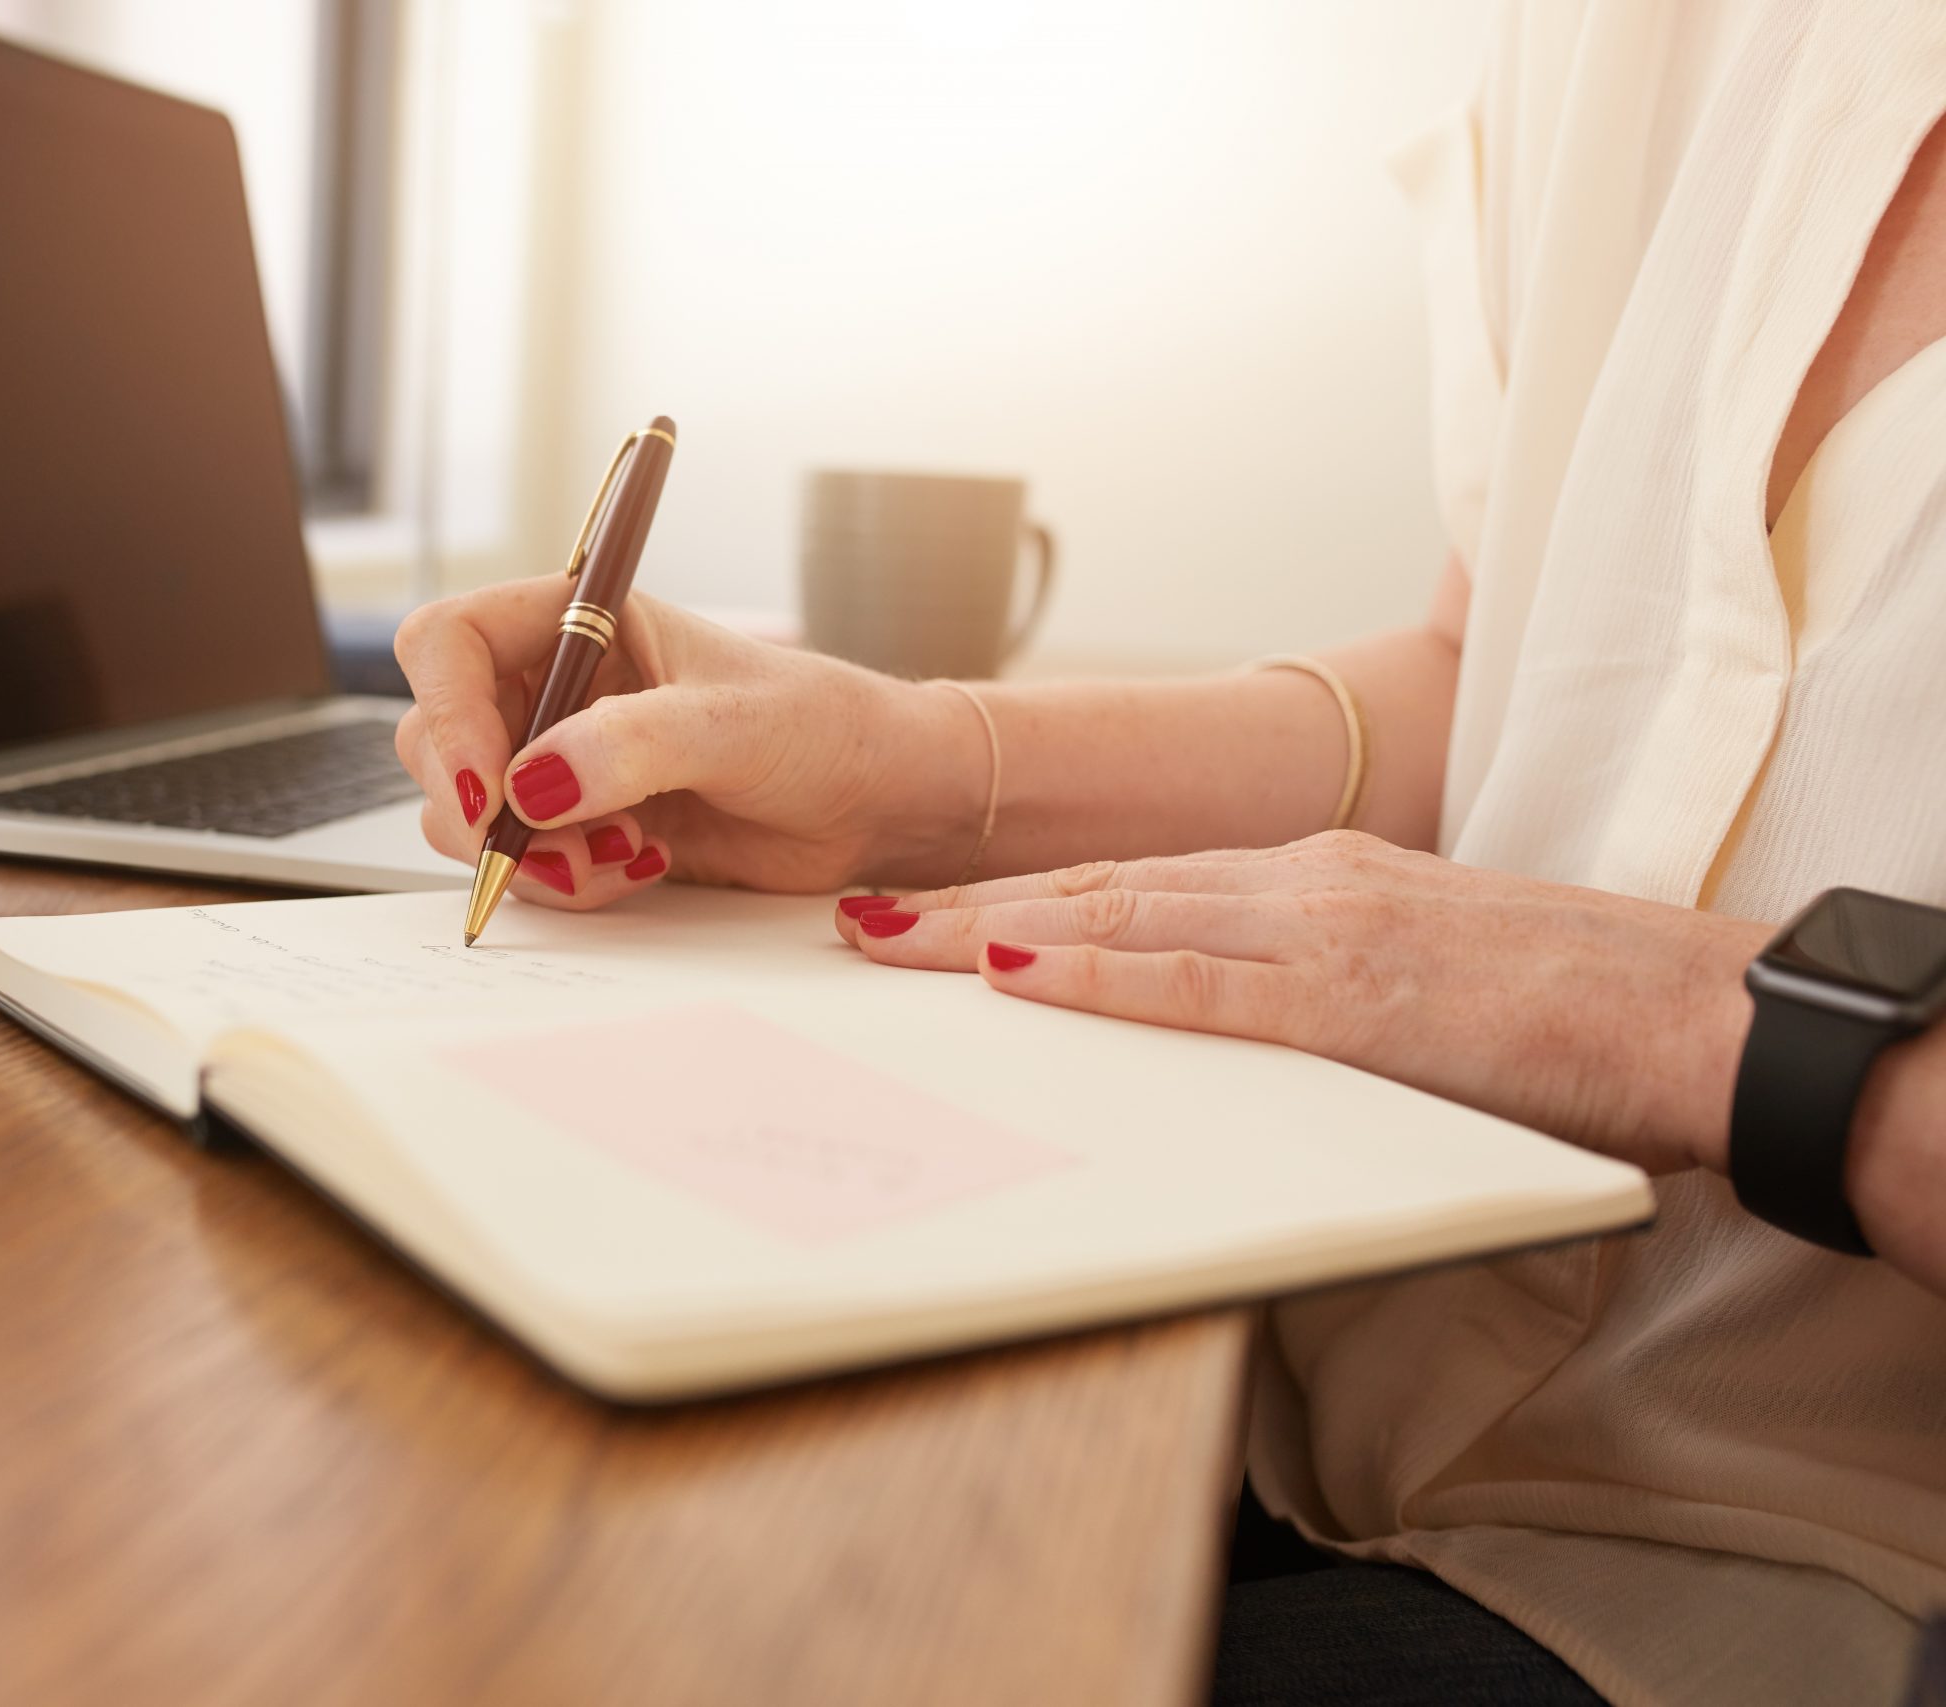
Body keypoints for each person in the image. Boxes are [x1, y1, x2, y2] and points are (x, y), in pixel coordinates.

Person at [390, 3, 1946, 1703]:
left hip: (1804, 1597)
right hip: (1318, 1369)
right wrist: (913, 766)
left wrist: (1711, 1024)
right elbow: (1483, 678)